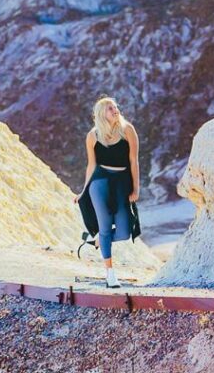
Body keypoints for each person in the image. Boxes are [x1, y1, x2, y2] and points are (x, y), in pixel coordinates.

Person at [73, 96, 139, 288]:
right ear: (102, 113)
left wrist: (136, 188)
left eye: (116, 107)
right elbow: (91, 165)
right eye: (110, 108)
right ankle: (110, 274)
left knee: (125, 231)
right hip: (99, 182)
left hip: (122, 182)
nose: (115, 110)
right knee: (105, 227)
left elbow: (134, 161)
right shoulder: (93, 136)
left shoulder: (128, 130)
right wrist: (84, 191)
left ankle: (97, 242)